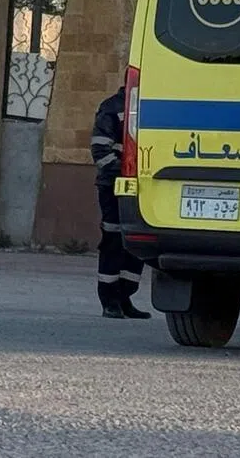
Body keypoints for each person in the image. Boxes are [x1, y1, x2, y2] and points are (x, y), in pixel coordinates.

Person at [90, 85, 151, 319]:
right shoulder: (112, 107)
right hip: (114, 184)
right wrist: (124, 170)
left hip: (141, 185)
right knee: (113, 239)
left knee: (136, 242)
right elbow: (100, 150)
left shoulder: (149, 105)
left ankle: (125, 296)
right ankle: (109, 300)